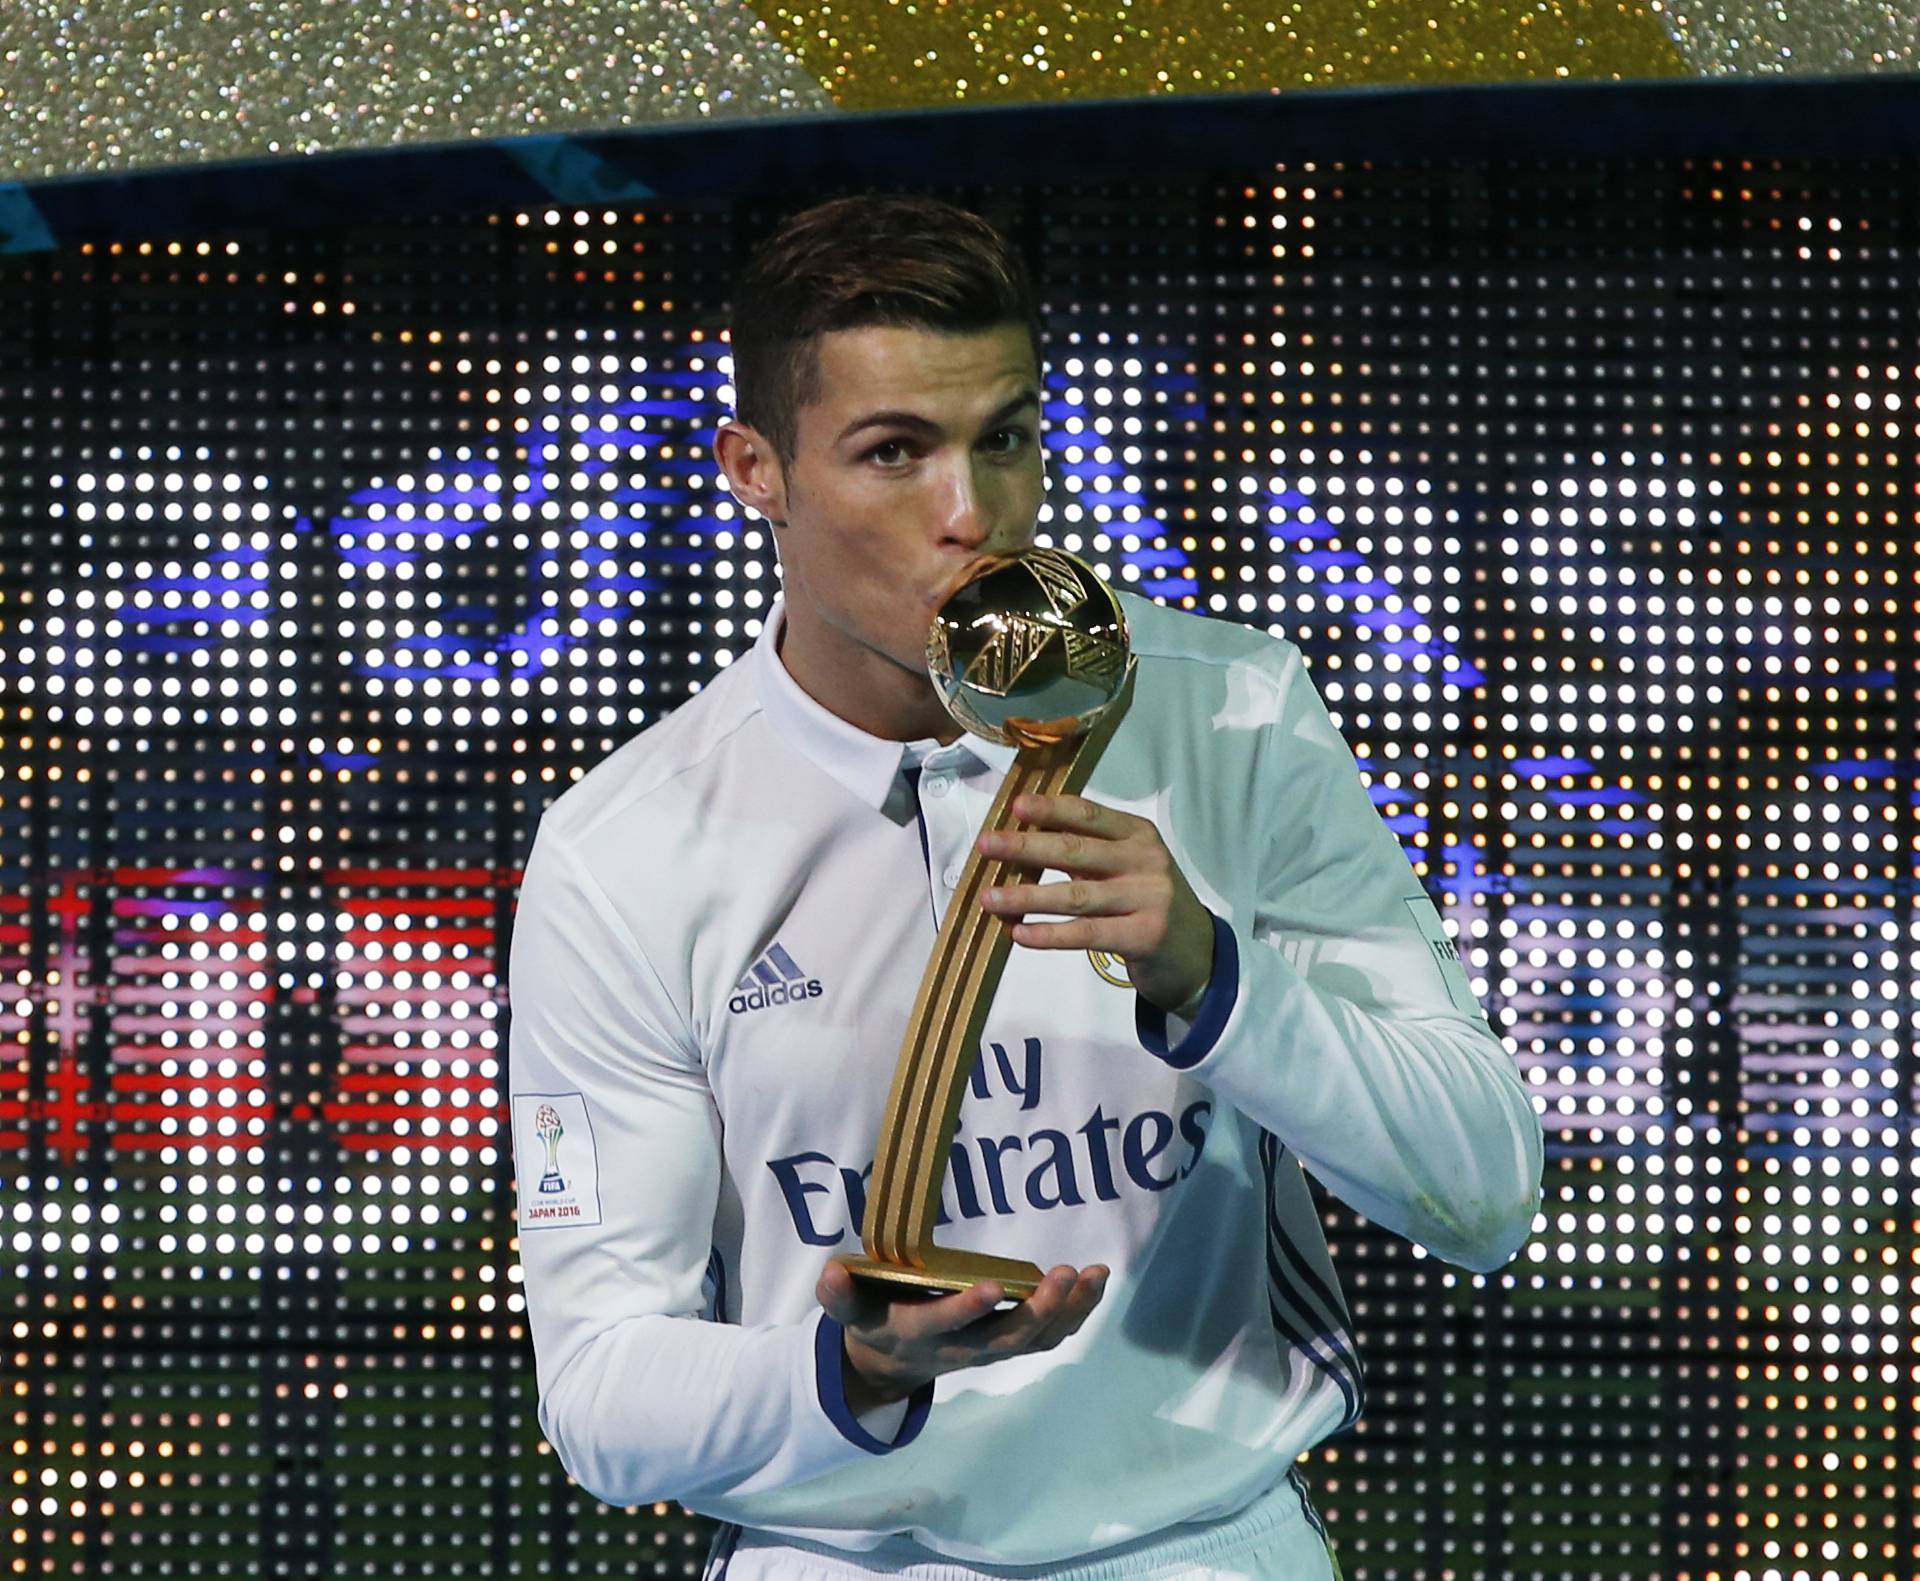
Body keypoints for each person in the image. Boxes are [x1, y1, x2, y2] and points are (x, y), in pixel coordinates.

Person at [506, 191, 1544, 1581]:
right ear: (755, 469)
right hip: (839, 1551)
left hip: (1201, 1544)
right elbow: (602, 1399)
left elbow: (1481, 1193)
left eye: (1006, 439)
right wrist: (851, 1369)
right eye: (894, 453)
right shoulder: (620, 847)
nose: (974, 514)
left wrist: (1217, 979)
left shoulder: (1232, 710)